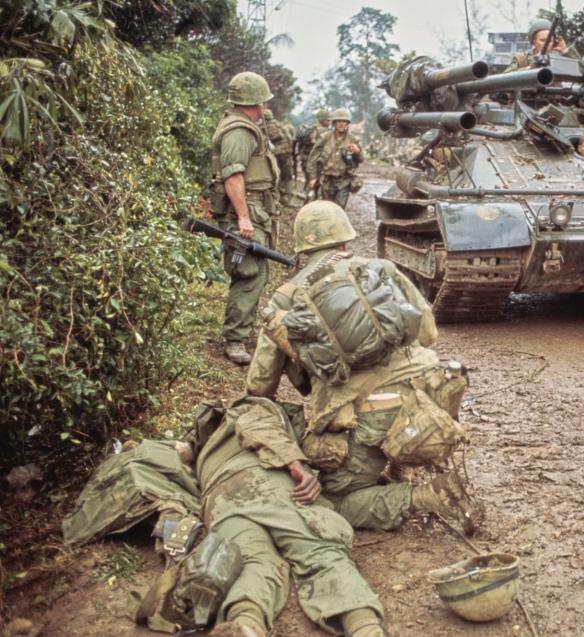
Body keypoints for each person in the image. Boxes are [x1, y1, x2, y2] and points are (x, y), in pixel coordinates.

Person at [245, 201, 481, 534]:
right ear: (345, 242)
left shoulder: (284, 301)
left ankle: (424, 497)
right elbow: (428, 333)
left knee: (329, 499)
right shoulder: (380, 269)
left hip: (371, 415)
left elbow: (259, 388)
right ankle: (400, 467)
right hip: (433, 395)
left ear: (301, 249)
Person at [196, 397, 386, 637]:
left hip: (220, 503)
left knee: (252, 560)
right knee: (317, 552)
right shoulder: (246, 409)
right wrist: (295, 464)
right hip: (263, 484)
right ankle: (364, 629)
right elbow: (257, 424)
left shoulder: (204, 454)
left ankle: (246, 622)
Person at [208, 71, 280, 366]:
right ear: (257, 102)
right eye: (264, 102)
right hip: (247, 211)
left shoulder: (245, 127)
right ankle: (236, 340)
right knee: (248, 274)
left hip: (254, 209)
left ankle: (241, 332)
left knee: (255, 273)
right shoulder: (240, 131)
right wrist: (244, 218)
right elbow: (233, 175)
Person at [306, 108, 363, 209]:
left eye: (344, 122)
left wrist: (357, 152)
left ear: (348, 123)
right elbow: (313, 158)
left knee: (339, 210)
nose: (341, 124)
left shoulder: (353, 139)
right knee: (326, 210)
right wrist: (313, 177)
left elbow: (361, 160)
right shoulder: (325, 137)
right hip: (326, 181)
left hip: (343, 181)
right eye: (339, 121)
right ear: (334, 123)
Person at [507, 17, 582, 71]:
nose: (546, 44)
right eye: (542, 40)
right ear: (534, 41)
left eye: (550, 41)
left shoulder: (560, 59)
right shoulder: (522, 59)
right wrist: (529, 69)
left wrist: (566, 52)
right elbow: (505, 79)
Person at [260, 108, 296, 208]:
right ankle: (288, 199)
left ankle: (276, 199)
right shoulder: (280, 125)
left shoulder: (263, 127)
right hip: (287, 154)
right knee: (288, 177)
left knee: (275, 176)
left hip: (275, 155)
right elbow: (290, 138)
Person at [296, 109, 330, 195]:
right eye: (328, 120)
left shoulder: (311, 129)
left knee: (309, 181)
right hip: (316, 161)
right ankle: (312, 201)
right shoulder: (324, 131)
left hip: (306, 160)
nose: (329, 122)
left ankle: (307, 200)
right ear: (322, 120)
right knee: (317, 183)